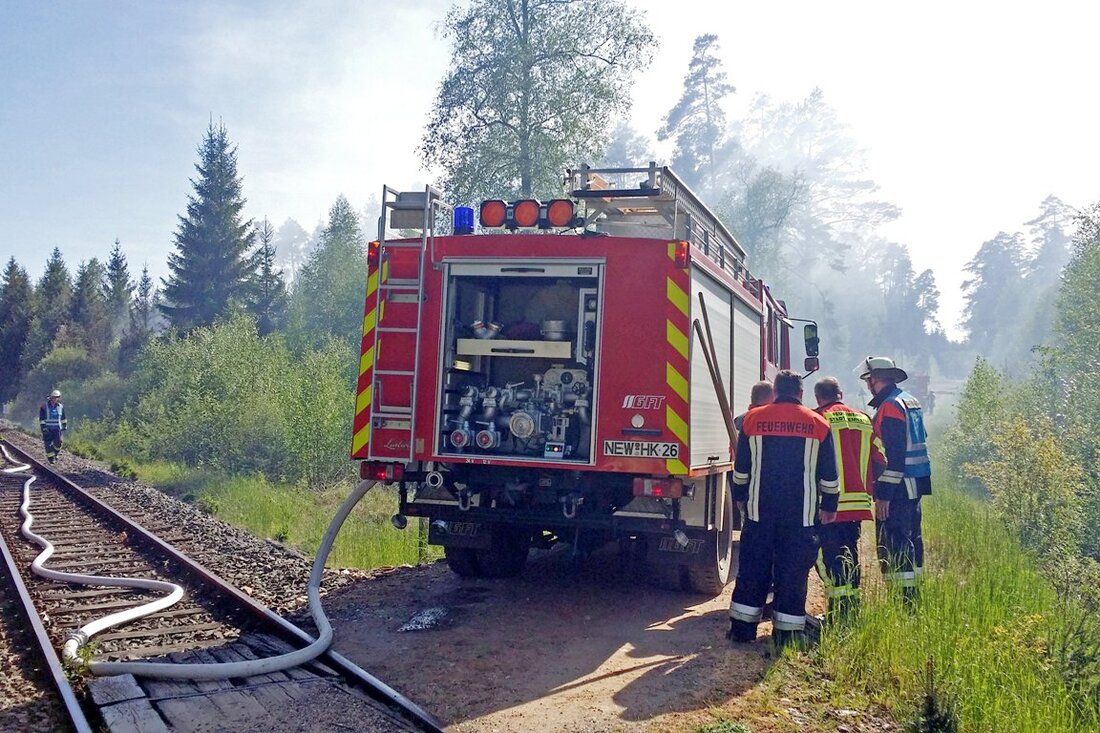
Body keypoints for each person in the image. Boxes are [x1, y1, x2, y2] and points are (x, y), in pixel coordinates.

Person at [728, 370, 839, 647]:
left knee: (753, 570)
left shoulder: (753, 420)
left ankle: (742, 630)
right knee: (792, 573)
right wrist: (829, 505)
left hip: (759, 513)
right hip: (800, 517)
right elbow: (829, 476)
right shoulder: (819, 423)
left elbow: (741, 471)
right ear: (801, 393)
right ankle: (786, 635)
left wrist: (740, 496)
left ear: (775, 392)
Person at [857, 356, 932, 604]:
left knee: (895, 541)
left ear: (876, 379)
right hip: (915, 483)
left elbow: (895, 457)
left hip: (898, 487)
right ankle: (914, 596)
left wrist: (884, 496)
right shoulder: (909, 400)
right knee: (912, 538)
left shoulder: (889, 407)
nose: (868, 385)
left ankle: (904, 601)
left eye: (868, 380)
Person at [813, 376, 885, 620]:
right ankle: (851, 612)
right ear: (840, 395)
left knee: (828, 560)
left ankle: (838, 615)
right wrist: (867, 485)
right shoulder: (864, 419)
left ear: (818, 398)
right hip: (857, 505)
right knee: (849, 556)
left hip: (828, 506)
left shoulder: (818, 419)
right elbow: (881, 458)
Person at [39, 389, 67, 464]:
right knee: (48, 444)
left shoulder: (60, 406)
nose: (55, 399)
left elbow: (63, 418)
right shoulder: (44, 406)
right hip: (47, 428)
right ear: (51, 398)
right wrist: (43, 428)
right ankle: (51, 459)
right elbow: (41, 419)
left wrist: (64, 425)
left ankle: (55, 454)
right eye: (54, 397)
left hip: (57, 429)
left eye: (57, 397)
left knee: (59, 443)